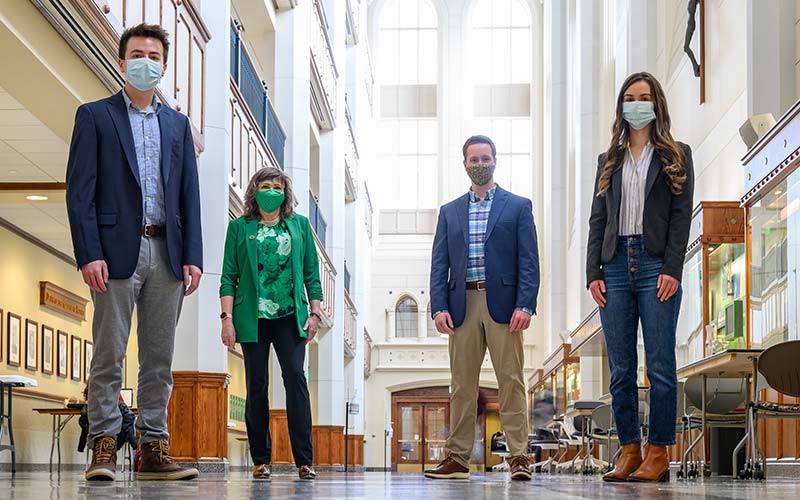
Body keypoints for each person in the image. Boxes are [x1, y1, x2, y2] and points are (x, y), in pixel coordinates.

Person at [65, 23, 203, 481]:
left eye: (154, 56)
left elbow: (189, 196)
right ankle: (104, 444)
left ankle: (153, 449)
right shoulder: (95, 116)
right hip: (114, 253)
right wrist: (88, 252)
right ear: (122, 62)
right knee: (109, 354)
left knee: (159, 359)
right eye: (138, 55)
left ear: (164, 66)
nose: (147, 62)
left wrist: (193, 255)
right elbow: (80, 193)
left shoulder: (178, 125)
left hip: (167, 253)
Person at [586, 72, 694, 483]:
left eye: (644, 97)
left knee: (661, 365)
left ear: (656, 104)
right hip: (614, 265)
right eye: (629, 98)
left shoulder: (676, 155)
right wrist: (592, 272)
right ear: (621, 107)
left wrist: (672, 268)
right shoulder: (608, 160)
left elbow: (681, 217)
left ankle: (658, 451)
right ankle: (629, 449)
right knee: (620, 369)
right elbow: (598, 220)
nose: (636, 104)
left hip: (654, 265)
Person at [426, 135, 540, 481]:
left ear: (495, 161)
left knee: (511, 381)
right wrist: (438, 307)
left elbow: (529, 260)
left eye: (485, 159)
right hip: (462, 305)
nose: (480, 165)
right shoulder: (449, 212)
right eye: (473, 160)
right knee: (461, 385)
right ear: (464, 164)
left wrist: (525, 304)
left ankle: (519, 456)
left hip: (504, 306)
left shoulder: (517, 206)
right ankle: (458, 458)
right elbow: (439, 263)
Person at [219, 167, 323, 481]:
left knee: (296, 380)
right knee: (256, 386)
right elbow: (228, 277)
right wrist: (226, 319)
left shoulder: (299, 225)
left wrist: (315, 313)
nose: (272, 192)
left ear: (285, 193)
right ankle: (261, 460)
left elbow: (311, 274)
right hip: (253, 317)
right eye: (266, 186)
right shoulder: (240, 227)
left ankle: (304, 460)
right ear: (255, 191)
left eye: (278, 187)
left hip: (291, 316)